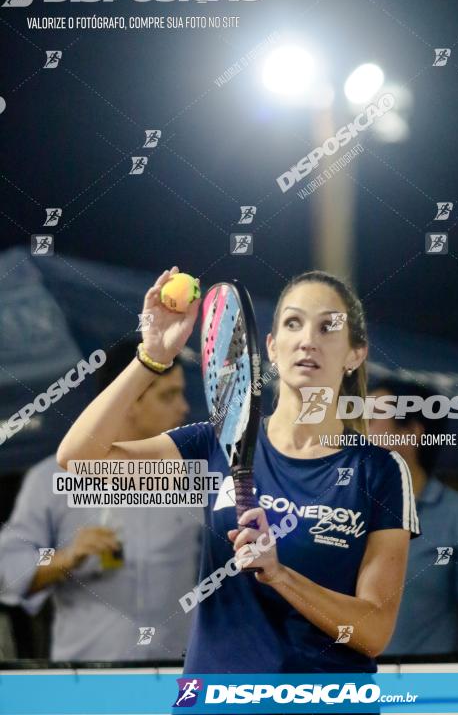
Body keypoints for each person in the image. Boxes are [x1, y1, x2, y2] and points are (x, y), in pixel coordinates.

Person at [57, 267, 420, 675]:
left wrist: (280, 575)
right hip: (219, 699)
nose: (307, 340)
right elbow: (78, 459)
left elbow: (373, 632)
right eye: (293, 323)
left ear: (356, 353)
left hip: (328, 702)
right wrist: (152, 358)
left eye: (327, 328)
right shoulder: (214, 441)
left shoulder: (379, 470)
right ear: (271, 347)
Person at [0, 339, 203, 661]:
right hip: (87, 678)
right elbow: (7, 570)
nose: (184, 407)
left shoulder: (197, 476)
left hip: (178, 673)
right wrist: (66, 558)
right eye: (168, 395)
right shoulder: (51, 479)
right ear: (127, 402)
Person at [368, 378, 458, 656]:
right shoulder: (343, 515)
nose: (358, 432)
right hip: (349, 692)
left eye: (371, 420)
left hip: (429, 695)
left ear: (411, 432)